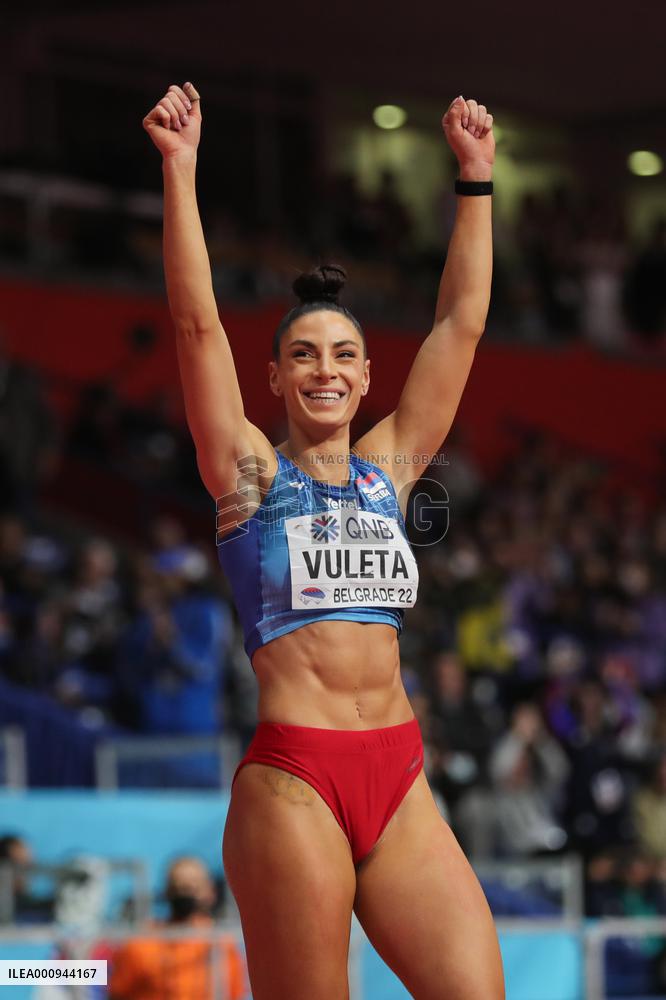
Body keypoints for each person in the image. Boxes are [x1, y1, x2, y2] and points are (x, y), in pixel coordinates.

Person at [143, 80, 504, 999]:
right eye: (303, 354)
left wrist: (475, 184)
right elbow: (195, 325)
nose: (325, 369)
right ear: (274, 376)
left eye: (343, 354)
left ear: (367, 373)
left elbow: (460, 323)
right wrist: (180, 171)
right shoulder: (249, 475)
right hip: (295, 781)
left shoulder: (392, 466)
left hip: (402, 776)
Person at [109, 856, 247, 1000]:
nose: (184, 894)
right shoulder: (142, 943)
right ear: (167, 891)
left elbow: (234, 993)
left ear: (210, 892)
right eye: (178, 887)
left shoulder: (222, 945)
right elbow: (116, 992)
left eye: (191, 887)